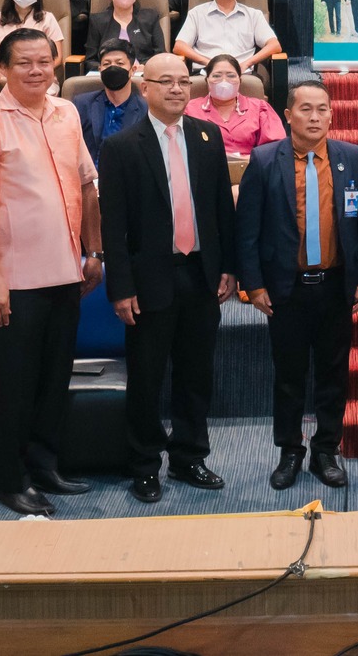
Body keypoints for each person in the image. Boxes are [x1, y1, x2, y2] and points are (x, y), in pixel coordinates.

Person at [0, 27, 103, 515]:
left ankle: (44, 467)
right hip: (12, 282)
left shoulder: (67, 113)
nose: (37, 70)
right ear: (2, 68)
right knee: (14, 387)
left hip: (65, 273)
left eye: (45, 61)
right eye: (24, 63)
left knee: (53, 380)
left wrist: (94, 252)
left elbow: (86, 184)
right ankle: (9, 479)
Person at [99, 52, 239, 502]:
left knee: (197, 375)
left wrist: (228, 268)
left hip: (201, 276)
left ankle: (189, 457)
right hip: (148, 282)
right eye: (166, 82)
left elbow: (221, 211)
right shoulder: (122, 146)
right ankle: (143, 465)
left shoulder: (207, 136)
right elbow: (113, 227)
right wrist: (120, 287)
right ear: (146, 88)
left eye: (184, 81)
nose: (178, 89)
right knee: (147, 378)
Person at [235, 78, 358, 491]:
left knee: (333, 373)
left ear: (332, 113)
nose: (315, 117)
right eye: (306, 109)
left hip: (335, 286)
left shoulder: (350, 157)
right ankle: (290, 451)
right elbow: (247, 232)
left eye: (323, 109)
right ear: (288, 115)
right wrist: (254, 284)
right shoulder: (262, 161)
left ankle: (327, 450)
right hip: (286, 289)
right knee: (289, 376)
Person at [175, 0, 283, 71]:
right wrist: (209, 63)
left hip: (243, 72)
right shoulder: (197, 13)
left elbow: (274, 45)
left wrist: (247, 63)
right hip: (206, 71)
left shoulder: (253, 15)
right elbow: (179, 46)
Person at [186, 53, 285, 158]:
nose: (224, 81)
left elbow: (276, 147)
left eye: (231, 76)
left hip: (251, 168)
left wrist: (250, 159)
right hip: (205, 169)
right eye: (216, 76)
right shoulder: (189, 109)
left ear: (240, 81)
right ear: (207, 81)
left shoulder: (260, 108)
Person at [73, 42, 141, 165]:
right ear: (100, 70)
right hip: (90, 178)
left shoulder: (145, 109)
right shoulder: (81, 104)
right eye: (107, 64)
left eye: (119, 63)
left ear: (133, 70)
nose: (112, 68)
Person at [81, 0, 166, 66]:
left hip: (143, 75)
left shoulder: (150, 18)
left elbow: (160, 55)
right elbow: (90, 61)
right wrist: (107, 68)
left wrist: (145, 68)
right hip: (109, 76)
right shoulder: (97, 21)